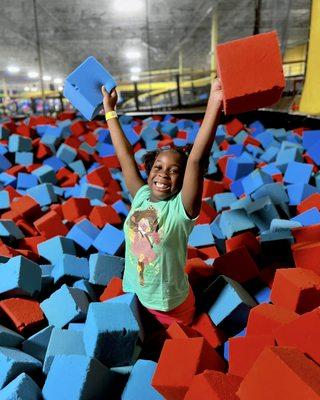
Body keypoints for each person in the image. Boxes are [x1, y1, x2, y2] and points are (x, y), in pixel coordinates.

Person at [101, 79, 223, 327]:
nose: (163, 174)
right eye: (158, 167)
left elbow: (197, 159)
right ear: (149, 169)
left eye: (173, 170)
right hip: (136, 296)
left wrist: (215, 101)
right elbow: (124, 155)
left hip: (171, 308)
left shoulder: (181, 210)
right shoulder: (142, 195)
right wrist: (110, 111)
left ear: (183, 177)